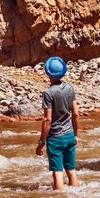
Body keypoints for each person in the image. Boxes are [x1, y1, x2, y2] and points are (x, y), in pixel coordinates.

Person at [35, 56, 79, 190]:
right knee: (71, 171)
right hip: (70, 135)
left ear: (48, 73)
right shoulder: (70, 88)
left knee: (58, 172)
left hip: (55, 138)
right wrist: (75, 135)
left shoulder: (48, 93)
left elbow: (47, 120)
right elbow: (76, 114)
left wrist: (41, 142)